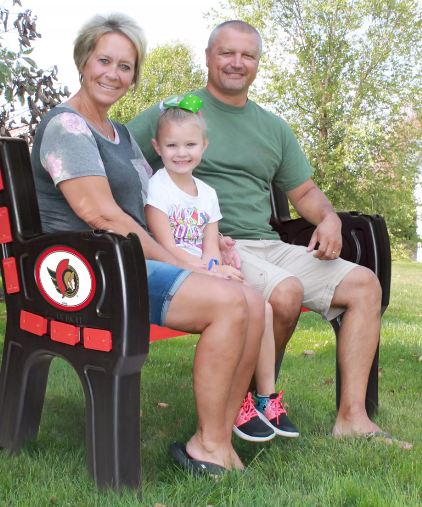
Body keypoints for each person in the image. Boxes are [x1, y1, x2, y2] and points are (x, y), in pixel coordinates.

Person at [127, 20, 412, 448]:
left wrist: (329, 219)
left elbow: (305, 191)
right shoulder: (177, 113)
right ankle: (252, 400)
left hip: (269, 243)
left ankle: (352, 418)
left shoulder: (272, 126)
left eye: (248, 55)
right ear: (208, 57)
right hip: (215, 247)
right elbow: (117, 153)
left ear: (258, 64)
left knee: (364, 286)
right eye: (226, 53)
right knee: (284, 293)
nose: (236, 63)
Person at [31, 13, 271, 474]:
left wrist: (210, 246)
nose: (113, 74)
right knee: (228, 303)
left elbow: (153, 209)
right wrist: (189, 266)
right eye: (104, 60)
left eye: (125, 66)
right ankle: (212, 443)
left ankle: (215, 438)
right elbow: (101, 214)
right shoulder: (67, 127)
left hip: (129, 261)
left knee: (253, 300)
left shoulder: (119, 134)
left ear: (134, 76)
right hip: (90, 272)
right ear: (83, 61)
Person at [145, 99, 299, 441]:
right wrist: (210, 272)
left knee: (263, 306)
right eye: (171, 145)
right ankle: (237, 403)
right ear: (157, 147)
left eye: (190, 144)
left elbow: (210, 245)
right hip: (174, 270)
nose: (181, 153)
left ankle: (265, 398)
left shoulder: (208, 194)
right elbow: (166, 245)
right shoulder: (158, 185)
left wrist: (217, 266)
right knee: (241, 303)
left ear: (204, 146)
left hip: (203, 270)